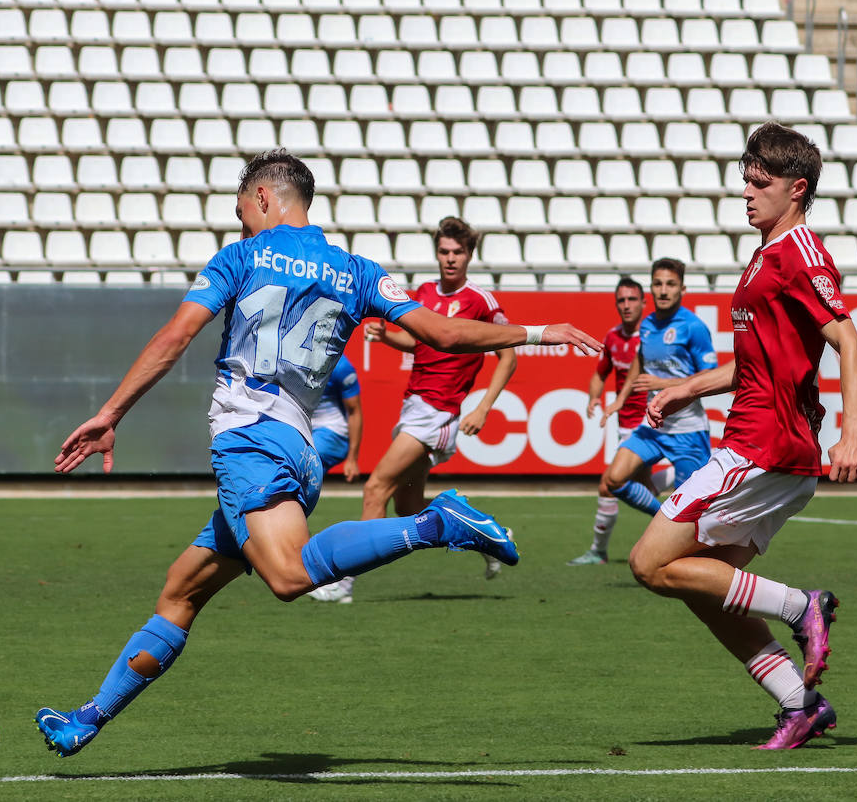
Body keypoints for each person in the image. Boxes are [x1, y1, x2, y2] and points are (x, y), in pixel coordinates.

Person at [34, 150, 601, 758]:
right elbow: (443, 334)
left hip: (251, 435)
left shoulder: (242, 257)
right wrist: (539, 332)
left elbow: (176, 336)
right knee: (181, 592)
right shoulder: (356, 270)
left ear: (260, 198)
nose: (239, 224)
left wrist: (110, 414)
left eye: (239, 212)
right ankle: (88, 717)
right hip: (299, 445)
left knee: (287, 576)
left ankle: (436, 522)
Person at [632, 122, 857, 750]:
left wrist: (853, 434)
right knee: (704, 587)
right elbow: (756, 360)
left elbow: (848, 340)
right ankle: (801, 702)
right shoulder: (766, 255)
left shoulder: (800, 255)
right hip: (761, 441)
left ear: (797, 188)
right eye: (745, 176)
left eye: (760, 179)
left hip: (764, 444)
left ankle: (800, 606)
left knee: (649, 563)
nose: (747, 188)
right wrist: (688, 388)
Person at [308, 216, 519, 603]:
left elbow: (508, 357)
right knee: (412, 509)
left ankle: (344, 584)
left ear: (470, 254)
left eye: (457, 252)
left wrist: (484, 407)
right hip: (414, 406)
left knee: (375, 489)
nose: (450, 259)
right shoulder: (424, 291)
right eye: (444, 252)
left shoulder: (482, 301)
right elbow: (422, 343)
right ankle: (483, 534)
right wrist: (389, 338)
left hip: (438, 412)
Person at [570, 259, 717, 565]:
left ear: (683, 289)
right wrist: (622, 397)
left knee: (695, 514)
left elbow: (711, 378)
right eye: (658, 284)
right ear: (651, 288)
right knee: (613, 480)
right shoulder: (648, 325)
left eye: (671, 284)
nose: (664, 290)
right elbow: (639, 358)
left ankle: (707, 562)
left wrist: (663, 383)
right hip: (652, 427)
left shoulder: (693, 327)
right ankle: (664, 516)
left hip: (688, 432)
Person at [567, 277, 675, 566]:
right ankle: (676, 514)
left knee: (609, 484)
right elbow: (600, 373)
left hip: (648, 421)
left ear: (643, 302)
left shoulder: (654, 334)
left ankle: (599, 550)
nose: (626, 305)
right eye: (621, 300)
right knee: (644, 486)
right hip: (625, 424)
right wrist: (594, 397)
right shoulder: (613, 338)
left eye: (631, 300)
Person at [311, 353, 363, 481]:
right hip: (300, 425)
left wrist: (352, 459)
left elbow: (354, 411)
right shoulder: (290, 357)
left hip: (332, 430)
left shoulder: (341, 366)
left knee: (305, 460)